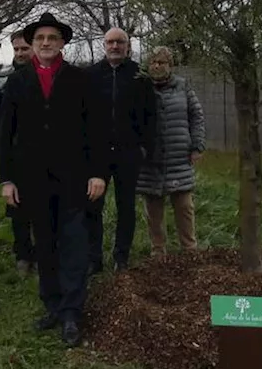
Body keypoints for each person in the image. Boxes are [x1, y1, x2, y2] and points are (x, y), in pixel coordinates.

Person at [0, 12, 106, 347]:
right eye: (40, 39)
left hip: (73, 178)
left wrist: (98, 172)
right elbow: (5, 135)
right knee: (44, 245)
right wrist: (7, 180)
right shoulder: (16, 82)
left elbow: (97, 131)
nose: (46, 44)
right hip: (33, 180)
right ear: (31, 44)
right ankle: (53, 306)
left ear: (62, 43)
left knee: (73, 244)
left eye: (52, 39)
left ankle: (73, 312)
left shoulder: (80, 79)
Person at [85, 27, 156, 272]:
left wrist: (146, 147)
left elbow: (151, 115)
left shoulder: (140, 75)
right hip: (97, 153)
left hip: (129, 152)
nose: (115, 46)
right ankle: (94, 259)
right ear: (104, 45)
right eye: (110, 42)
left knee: (126, 206)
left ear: (128, 45)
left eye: (120, 42)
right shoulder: (91, 75)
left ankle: (121, 257)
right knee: (92, 206)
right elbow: (81, 115)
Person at [136, 47, 206, 254]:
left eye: (162, 62)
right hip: (150, 160)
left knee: (184, 206)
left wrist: (197, 145)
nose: (157, 66)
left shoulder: (182, 87)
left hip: (179, 157)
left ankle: (190, 249)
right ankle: (158, 251)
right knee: (153, 209)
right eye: (153, 62)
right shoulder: (141, 87)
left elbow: (197, 115)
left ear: (171, 65)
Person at [0, 29, 36, 275]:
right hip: (15, 151)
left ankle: (43, 255)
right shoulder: (3, 79)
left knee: (42, 208)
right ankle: (22, 254)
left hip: (43, 152)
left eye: (24, 48)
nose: (20, 53)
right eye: (17, 49)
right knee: (18, 208)